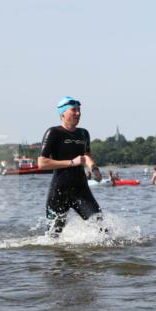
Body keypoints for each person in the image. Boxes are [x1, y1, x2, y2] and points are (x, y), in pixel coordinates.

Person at [38, 97, 104, 236]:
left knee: (101, 228)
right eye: (74, 110)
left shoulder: (83, 133)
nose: (78, 113)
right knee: (53, 236)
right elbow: (42, 163)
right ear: (63, 113)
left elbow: (86, 156)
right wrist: (71, 162)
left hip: (81, 190)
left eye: (79, 110)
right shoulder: (54, 132)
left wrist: (94, 169)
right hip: (59, 191)